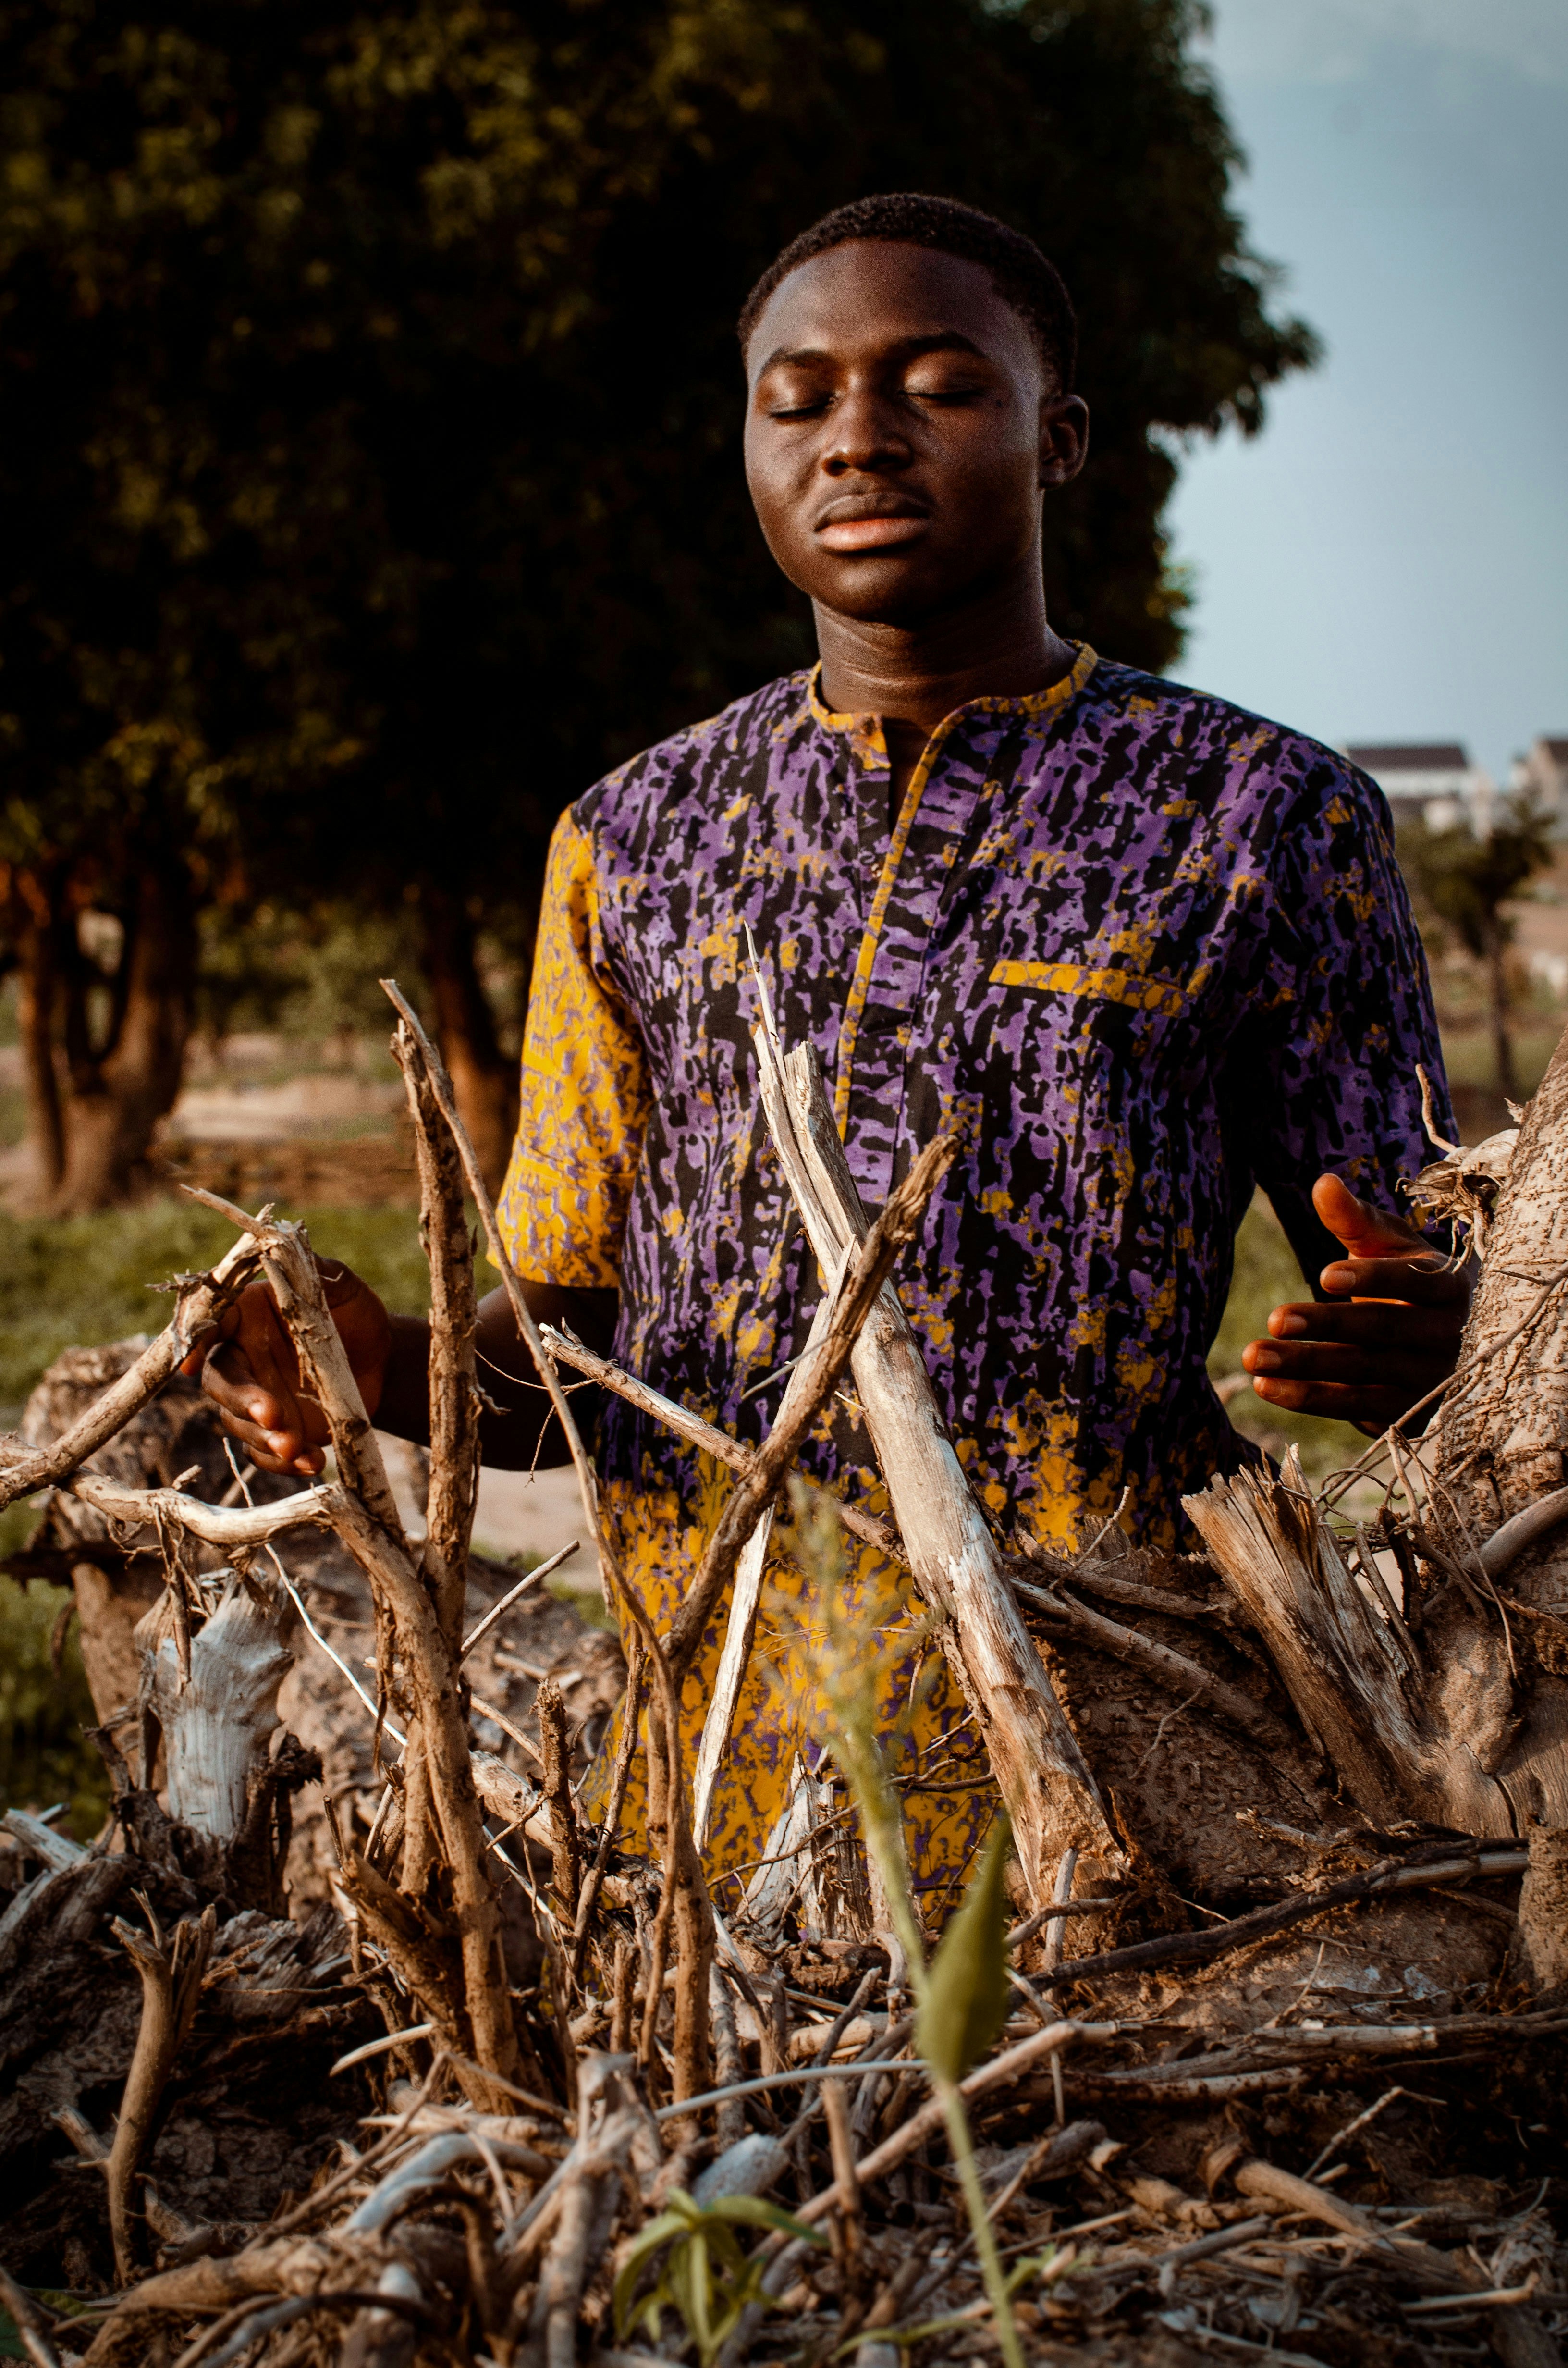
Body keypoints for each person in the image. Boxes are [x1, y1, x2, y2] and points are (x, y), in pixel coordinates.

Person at [194, 194, 1469, 1904]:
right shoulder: (630, 840)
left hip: (1114, 1756)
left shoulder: (1261, 818)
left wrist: (1440, 1341)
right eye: (796, 400)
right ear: (748, 447)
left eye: (939, 383)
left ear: (1060, 436)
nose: (858, 437)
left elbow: (1416, 1276)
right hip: (707, 1774)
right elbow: (565, 1338)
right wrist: (379, 1359)